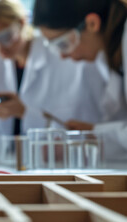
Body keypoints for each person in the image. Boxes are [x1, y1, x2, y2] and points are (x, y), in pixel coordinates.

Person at [0, 0, 105, 137]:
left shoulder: (61, 52)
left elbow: (80, 123)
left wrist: (25, 113)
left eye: (6, 37)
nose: (0, 49)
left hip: (52, 153)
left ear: (22, 23)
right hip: (1, 154)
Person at [33, 0, 127, 160]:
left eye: (63, 43)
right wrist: (94, 131)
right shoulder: (111, 52)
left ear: (91, 24)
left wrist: (96, 132)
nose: (63, 55)